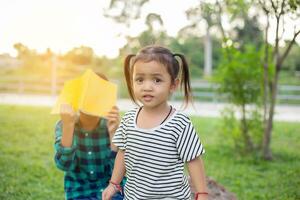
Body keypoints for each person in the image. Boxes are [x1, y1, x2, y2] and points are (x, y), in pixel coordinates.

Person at [102, 45, 208, 200]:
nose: (147, 87)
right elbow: (122, 153)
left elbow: (193, 160)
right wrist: (114, 184)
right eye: (140, 80)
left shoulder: (179, 123)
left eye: (157, 80)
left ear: (173, 85)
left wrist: (202, 193)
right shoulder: (128, 119)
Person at [54, 73, 124, 200]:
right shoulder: (64, 125)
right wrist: (68, 127)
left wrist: (114, 134)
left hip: (112, 190)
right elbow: (64, 165)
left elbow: (118, 171)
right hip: (79, 192)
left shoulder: (112, 125)